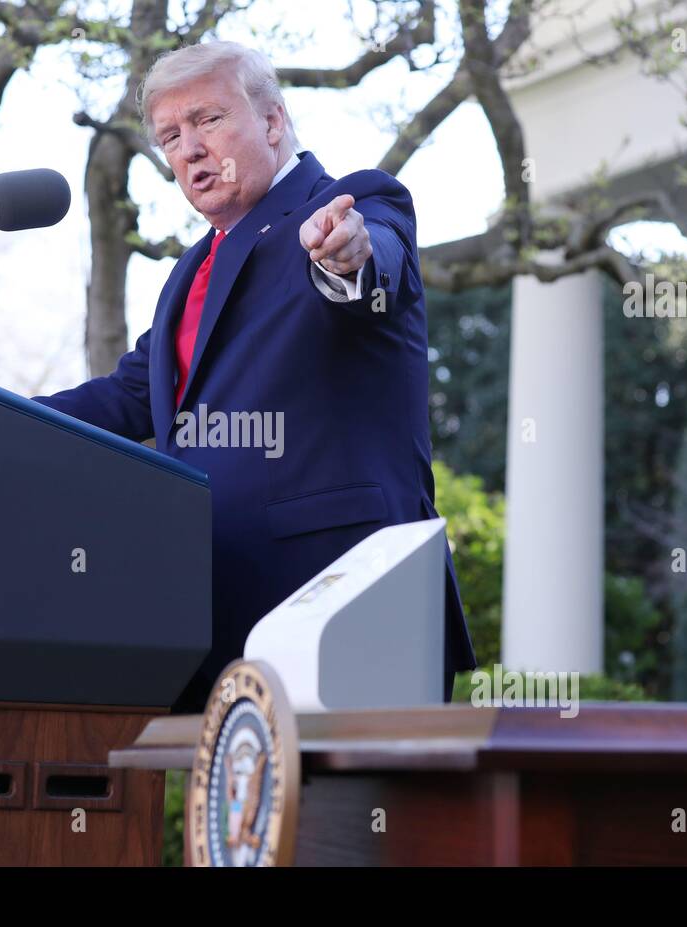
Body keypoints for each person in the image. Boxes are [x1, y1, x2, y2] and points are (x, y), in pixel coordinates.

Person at [36, 40, 474, 712]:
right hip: (213, 618)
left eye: (208, 121)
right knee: (238, 822)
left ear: (272, 123)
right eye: (170, 136)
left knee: (350, 822)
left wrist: (344, 256)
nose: (188, 150)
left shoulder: (349, 205)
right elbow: (130, 396)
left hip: (343, 606)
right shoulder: (189, 274)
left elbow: (370, 260)